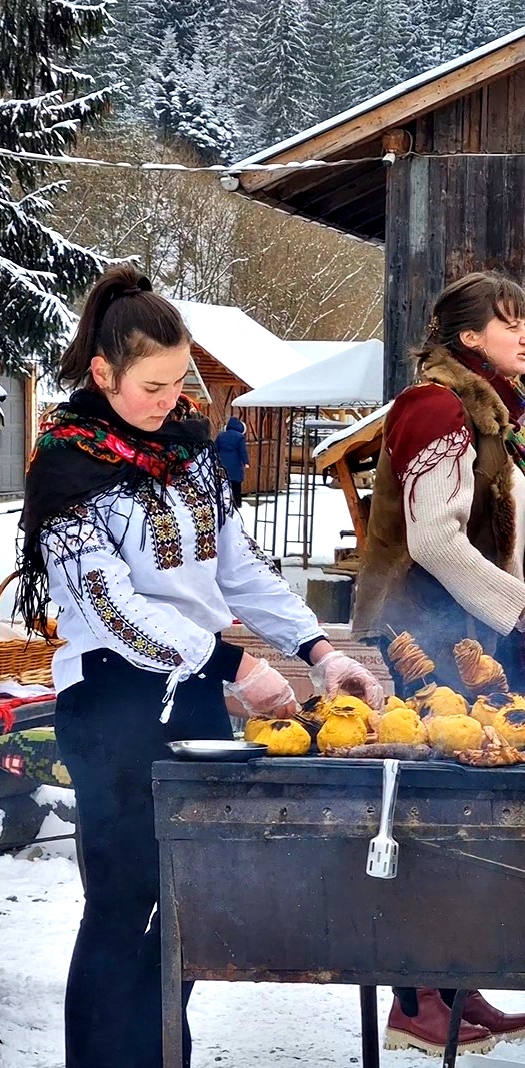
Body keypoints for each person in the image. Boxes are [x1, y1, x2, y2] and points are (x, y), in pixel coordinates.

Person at [16, 264, 384, 1068]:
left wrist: (315, 650)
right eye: (152, 384)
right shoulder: (67, 466)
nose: (169, 399)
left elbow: (238, 566)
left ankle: (160, 1056)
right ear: (103, 373)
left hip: (195, 709)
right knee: (123, 905)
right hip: (113, 706)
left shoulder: (184, 451)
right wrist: (232, 662)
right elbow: (111, 612)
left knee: (187, 906)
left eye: (180, 381)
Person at [353, 270, 525, 1056]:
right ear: (466, 338)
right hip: (426, 632)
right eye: (509, 321)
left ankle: (451, 985)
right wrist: (516, 610)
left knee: (467, 812)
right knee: (431, 814)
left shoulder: (490, 411)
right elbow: (430, 540)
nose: (522, 334)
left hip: (467, 627)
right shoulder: (435, 406)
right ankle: (416, 996)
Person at [215, 415, 249, 507]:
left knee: (222, 485)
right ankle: (237, 503)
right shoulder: (240, 437)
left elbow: (215, 449)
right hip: (235, 464)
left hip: (222, 463)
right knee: (236, 485)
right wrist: (246, 462)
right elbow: (242, 451)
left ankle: (222, 504)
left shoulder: (221, 436)